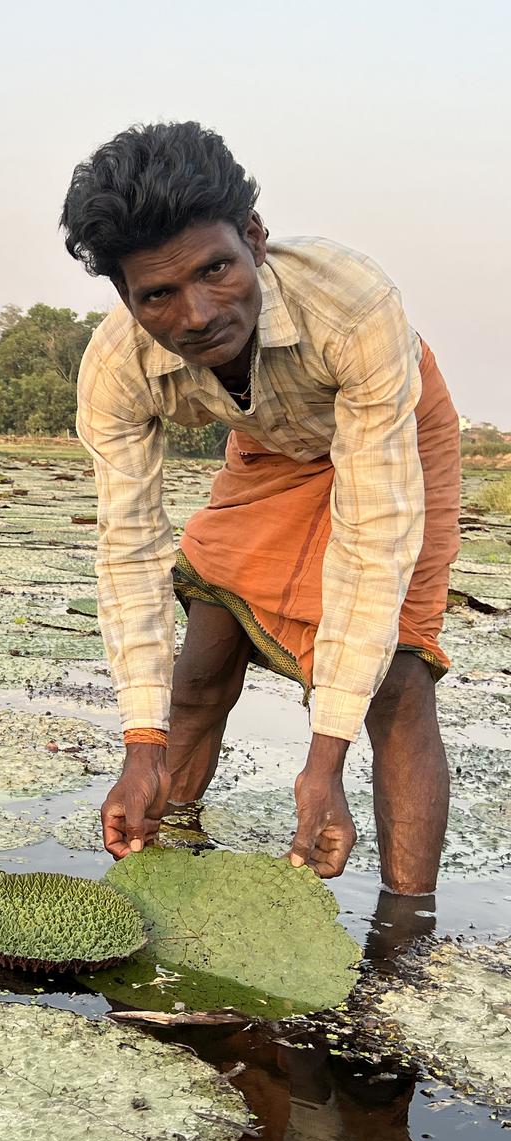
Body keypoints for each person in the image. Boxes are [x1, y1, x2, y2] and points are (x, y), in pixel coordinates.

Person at [60, 122, 460, 896]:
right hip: (269, 441)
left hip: (388, 426)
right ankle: (163, 844)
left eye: (217, 269)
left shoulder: (352, 306)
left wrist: (324, 755)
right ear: (125, 297)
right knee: (207, 647)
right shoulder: (117, 369)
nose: (200, 314)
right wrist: (140, 744)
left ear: (254, 238)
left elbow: (372, 539)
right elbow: (130, 551)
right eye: (158, 295)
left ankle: (408, 927)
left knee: (398, 678)